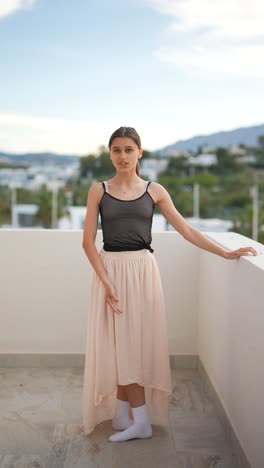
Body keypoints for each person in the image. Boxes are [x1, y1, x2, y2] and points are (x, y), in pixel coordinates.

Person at [82, 126, 259, 443]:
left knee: (131, 346)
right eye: (117, 150)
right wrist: (106, 282)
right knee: (119, 345)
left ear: (140, 153)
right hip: (110, 271)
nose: (123, 156)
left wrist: (225, 252)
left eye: (128, 149)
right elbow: (87, 244)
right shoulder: (99, 190)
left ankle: (142, 422)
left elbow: (187, 230)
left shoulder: (155, 190)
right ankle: (123, 414)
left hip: (142, 272)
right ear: (110, 154)